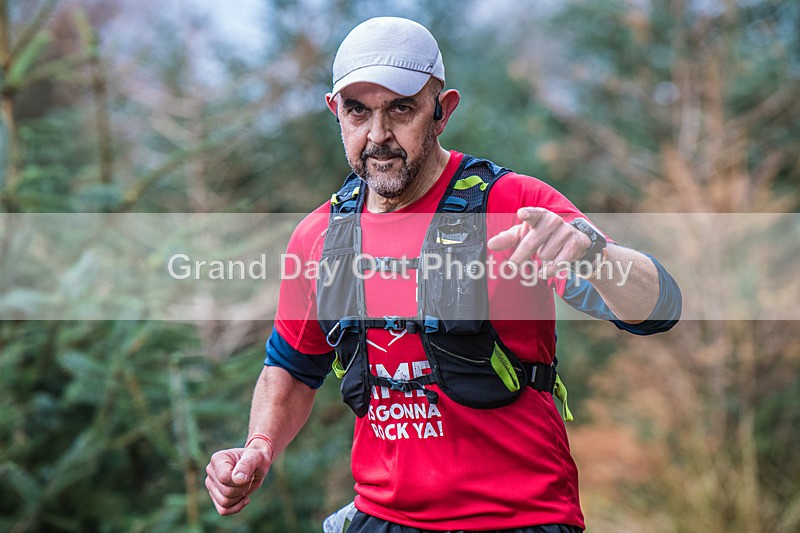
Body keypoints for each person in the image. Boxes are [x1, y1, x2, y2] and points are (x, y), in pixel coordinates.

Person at [205, 16, 681, 533]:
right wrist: (259, 446)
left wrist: (594, 257)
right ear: (334, 111)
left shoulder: (513, 205)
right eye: (358, 112)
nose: (378, 135)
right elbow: (293, 368)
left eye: (401, 108)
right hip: (381, 517)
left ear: (442, 111)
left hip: (519, 519)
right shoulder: (319, 236)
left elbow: (658, 310)